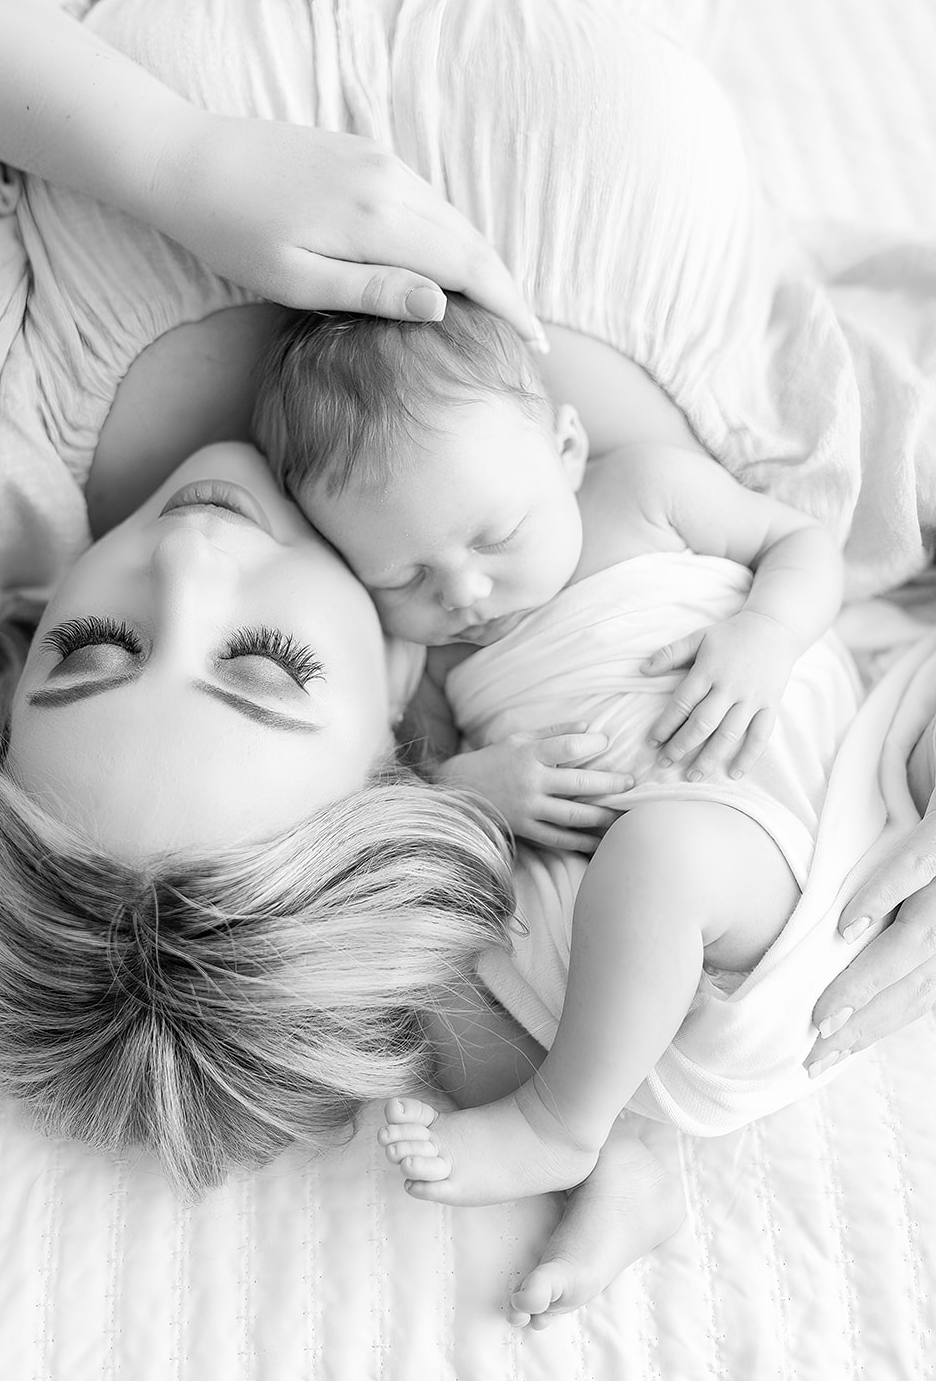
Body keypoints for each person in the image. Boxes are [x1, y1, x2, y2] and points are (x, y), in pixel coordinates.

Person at [0, 0, 935, 1328]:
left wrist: (165, 158)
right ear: (391, 742)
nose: (187, 564)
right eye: (265, 664)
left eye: (85, 648)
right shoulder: (696, 509)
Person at [252, 298, 866, 1223]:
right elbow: (400, 790)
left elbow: (801, 542)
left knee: (661, 859)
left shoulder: (643, 492)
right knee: (409, 956)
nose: (462, 590)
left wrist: (765, 631)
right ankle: (620, 1173)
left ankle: (557, 1122)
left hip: (771, 856)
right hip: (607, 929)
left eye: (495, 536)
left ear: (567, 451)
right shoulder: (428, 663)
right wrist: (469, 788)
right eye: (402, 579)